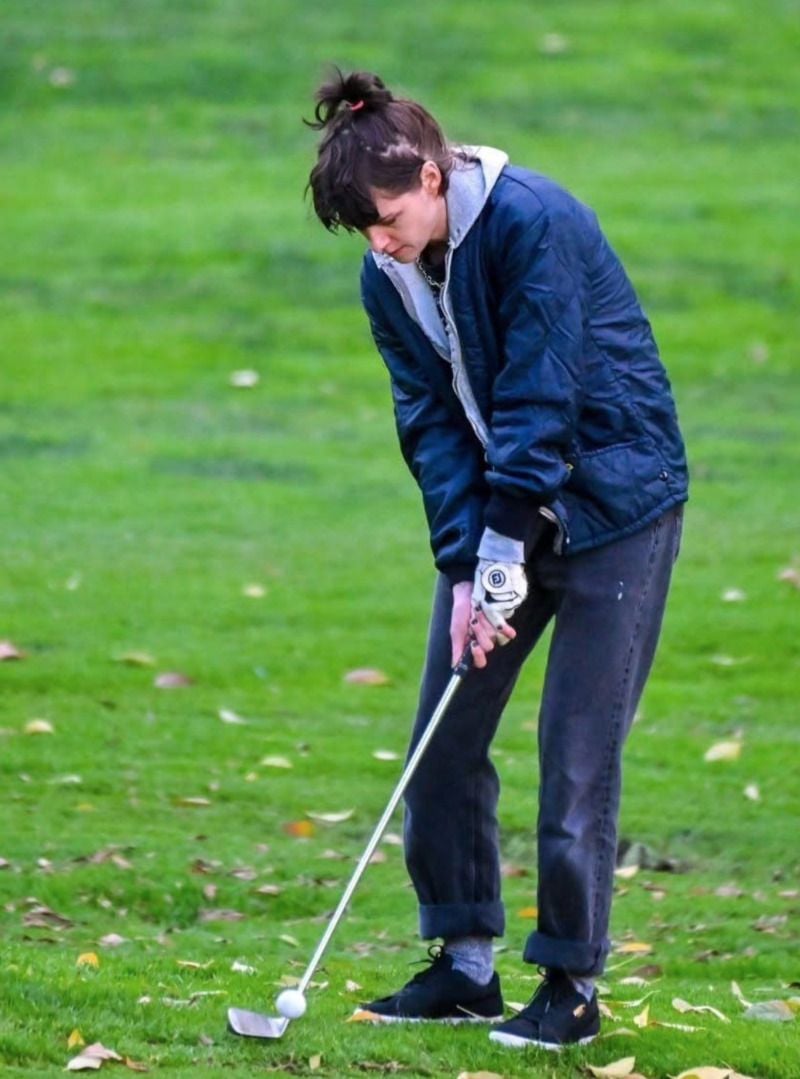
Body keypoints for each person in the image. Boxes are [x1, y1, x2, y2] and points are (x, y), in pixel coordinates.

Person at [306, 68, 688, 1051]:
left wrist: (506, 540)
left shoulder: (531, 221)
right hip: (503, 520)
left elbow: (540, 388)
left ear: (431, 178)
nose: (378, 240)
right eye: (362, 229)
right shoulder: (387, 276)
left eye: (386, 217)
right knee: (440, 741)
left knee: (574, 754)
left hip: (615, 506)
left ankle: (570, 984)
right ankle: (464, 965)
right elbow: (429, 423)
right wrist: (463, 564)